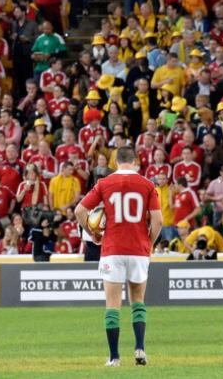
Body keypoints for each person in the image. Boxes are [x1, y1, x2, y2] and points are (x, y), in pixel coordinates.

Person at [75, 147, 163, 368]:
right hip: (138, 249)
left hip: (113, 248)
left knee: (112, 304)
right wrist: (148, 244)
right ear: (135, 162)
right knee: (138, 301)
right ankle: (140, 348)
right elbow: (158, 221)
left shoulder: (104, 183)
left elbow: (79, 211)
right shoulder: (148, 185)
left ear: (116, 162)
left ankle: (114, 357)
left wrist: (93, 232)